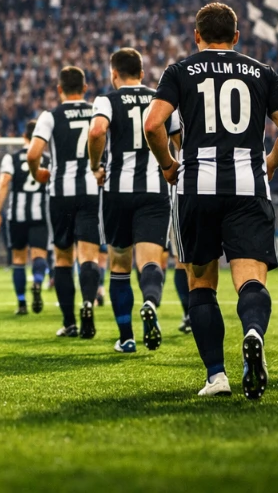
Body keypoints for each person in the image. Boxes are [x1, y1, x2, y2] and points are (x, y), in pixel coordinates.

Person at [144, 3, 278, 398]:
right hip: (248, 187)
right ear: (236, 36)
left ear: (196, 36)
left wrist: (167, 163)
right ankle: (252, 332)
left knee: (201, 282)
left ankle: (217, 376)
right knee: (249, 278)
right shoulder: (261, 72)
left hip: (198, 187)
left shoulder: (180, 71)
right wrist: (268, 164)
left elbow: (152, 124)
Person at [89, 48, 182, 354]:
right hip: (154, 191)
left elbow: (97, 130)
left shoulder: (106, 99)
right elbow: (181, 140)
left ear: (113, 74)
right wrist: (171, 164)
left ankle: (126, 337)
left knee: (119, 265)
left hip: (117, 191)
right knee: (152, 261)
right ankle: (150, 302)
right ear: (142, 73)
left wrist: (95, 166)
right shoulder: (161, 97)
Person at [28, 66, 101, 338]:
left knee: (62, 258)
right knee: (89, 256)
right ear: (84, 88)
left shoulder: (51, 116)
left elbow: (33, 153)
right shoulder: (97, 111)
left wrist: (38, 174)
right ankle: (88, 304)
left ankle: (70, 321)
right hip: (91, 190)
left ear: (59, 89)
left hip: (60, 193)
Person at [0, 121, 50, 316]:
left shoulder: (12, 157)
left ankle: (22, 302)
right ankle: (38, 281)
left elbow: (3, 183)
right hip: (41, 214)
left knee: (18, 258)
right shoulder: (48, 158)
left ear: (24, 136)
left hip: (17, 215)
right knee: (39, 255)